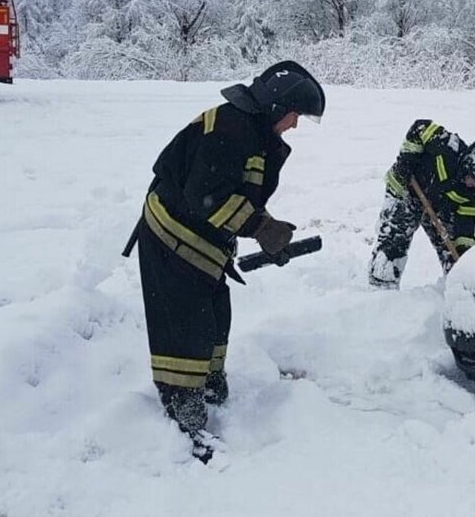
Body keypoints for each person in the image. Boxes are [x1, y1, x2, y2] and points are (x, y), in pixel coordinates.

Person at [124, 60, 325, 462]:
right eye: (294, 115)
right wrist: (260, 228)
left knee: (216, 314)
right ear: (274, 105)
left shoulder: (251, 130)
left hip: (203, 239)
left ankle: (210, 385)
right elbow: (208, 196)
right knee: (186, 323)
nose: (295, 125)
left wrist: (266, 228)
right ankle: (184, 407)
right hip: (172, 234)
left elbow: (237, 195)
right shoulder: (230, 129)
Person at [368, 120, 475, 289]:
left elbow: (465, 230)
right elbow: (419, 127)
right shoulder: (447, 147)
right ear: (468, 168)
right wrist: (406, 163)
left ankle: (460, 288)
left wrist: (463, 258)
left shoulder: (470, 197)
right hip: (406, 189)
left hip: (438, 206)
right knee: (394, 241)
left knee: (452, 253)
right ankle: (381, 287)